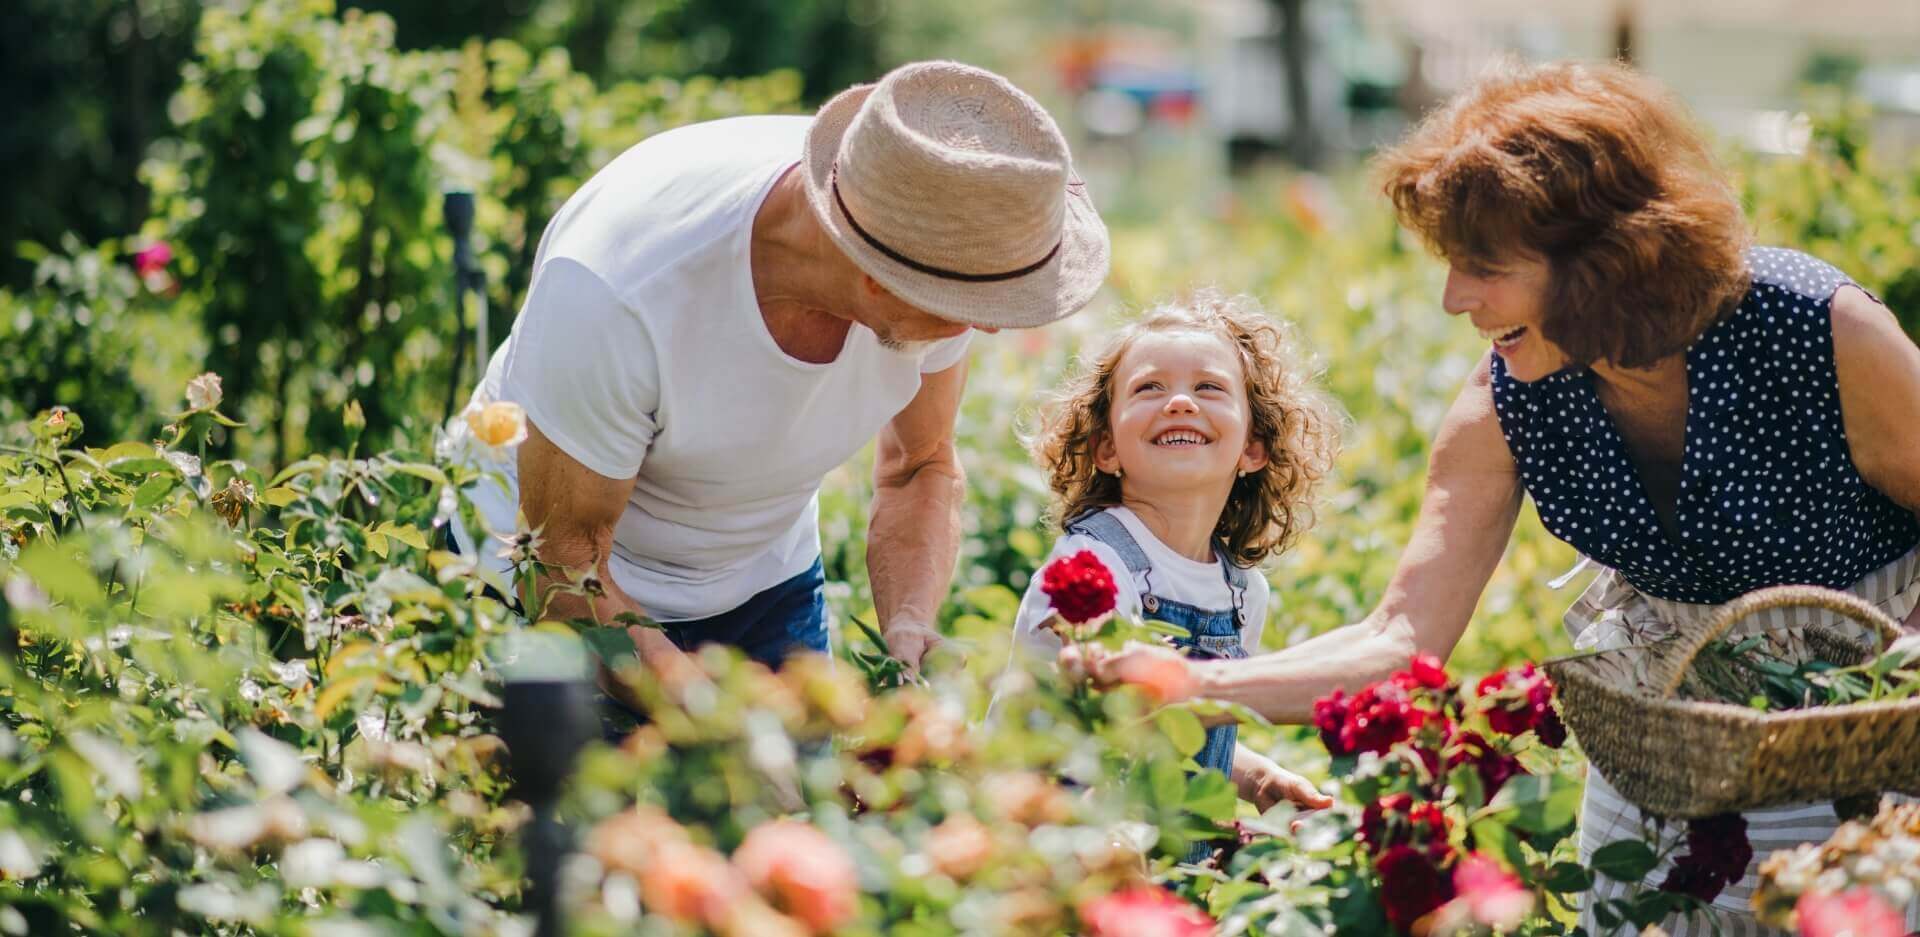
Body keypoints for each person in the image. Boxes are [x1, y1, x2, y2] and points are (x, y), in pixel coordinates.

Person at [1066, 61, 1920, 933]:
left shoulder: (1815, 330)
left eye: (1483, 268)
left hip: (1865, 717)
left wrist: (1902, 678)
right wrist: (1187, 683)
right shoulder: (1512, 392)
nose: (1452, 299)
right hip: (1666, 724)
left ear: (1603, 260)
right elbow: (1400, 638)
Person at [454, 61, 1110, 692]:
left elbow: (920, 464)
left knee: (799, 804)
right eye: (973, 308)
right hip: (551, 583)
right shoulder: (618, 289)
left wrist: (909, 620)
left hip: (762, 580)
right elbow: (563, 563)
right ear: (876, 278)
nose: (990, 328)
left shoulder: (936, 222)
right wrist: (719, 720)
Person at [1001, 292, 1340, 857]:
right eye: (1148, 388)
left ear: (1253, 446)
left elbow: (1186, 735)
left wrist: (1256, 778)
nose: (1180, 401)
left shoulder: (1243, 594)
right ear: (1106, 448)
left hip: (1158, 867)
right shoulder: (1090, 570)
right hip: (1054, 850)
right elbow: (1069, 744)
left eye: (1209, 388)